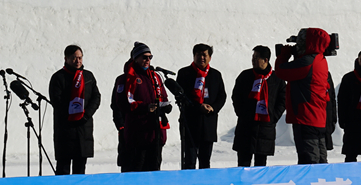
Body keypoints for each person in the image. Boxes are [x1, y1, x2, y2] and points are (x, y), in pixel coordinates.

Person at [276, 28, 335, 165]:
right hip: (318, 117)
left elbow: (281, 71)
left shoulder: (308, 62)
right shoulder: (320, 59)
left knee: (309, 161)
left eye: (302, 41)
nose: (298, 45)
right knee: (320, 159)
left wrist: (284, 55)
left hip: (306, 117)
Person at [113, 42, 170, 172]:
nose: (148, 60)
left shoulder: (155, 77)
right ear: (135, 58)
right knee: (137, 169)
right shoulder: (125, 78)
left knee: (154, 169)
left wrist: (165, 106)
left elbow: (163, 97)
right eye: (144, 57)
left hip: (155, 131)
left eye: (150, 57)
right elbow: (122, 103)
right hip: (137, 133)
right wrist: (145, 107)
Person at [169, 43, 227, 170]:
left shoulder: (215, 75)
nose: (202, 57)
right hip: (190, 123)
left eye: (205, 55)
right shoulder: (184, 73)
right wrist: (197, 106)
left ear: (210, 57)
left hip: (208, 123)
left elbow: (222, 96)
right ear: (194, 56)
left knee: (205, 162)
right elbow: (180, 96)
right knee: (189, 161)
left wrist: (213, 108)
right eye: (199, 54)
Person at [48, 44, 100, 175]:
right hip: (65, 128)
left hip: (84, 127)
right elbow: (56, 101)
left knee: (80, 169)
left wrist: (85, 115)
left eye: (80, 58)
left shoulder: (88, 76)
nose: (78, 61)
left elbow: (96, 97)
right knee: (63, 168)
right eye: (74, 58)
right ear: (66, 59)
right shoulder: (58, 77)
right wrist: (71, 115)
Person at [233, 46, 285, 167]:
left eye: (256, 58)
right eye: (253, 57)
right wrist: (242, 113)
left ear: (265, 60)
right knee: (243, 165)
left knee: (261, 166)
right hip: (246, 126)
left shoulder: (277, 79)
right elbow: (236, 97)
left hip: (265, 128)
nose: (253, 60)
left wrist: (273, 117)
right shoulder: (245, 76)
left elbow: (283, 100)